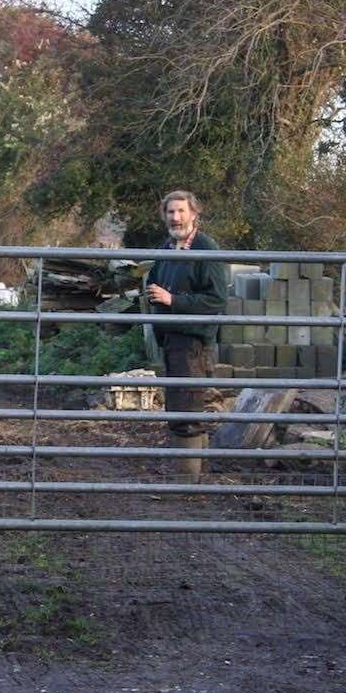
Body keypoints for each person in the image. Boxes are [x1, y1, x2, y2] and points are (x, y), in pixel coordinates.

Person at [145, 189, 228, 478]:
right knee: (183, 405)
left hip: (193, 341)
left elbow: (216, 300)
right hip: (172, 339)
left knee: (186, 408)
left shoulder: (206, 248)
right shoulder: (167, 248)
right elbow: (155, 283)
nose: (175, 217)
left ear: (194, 213)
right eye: (170, 212)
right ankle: (195, 475)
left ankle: (187, 483)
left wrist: (173, 300)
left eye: (181, 211)